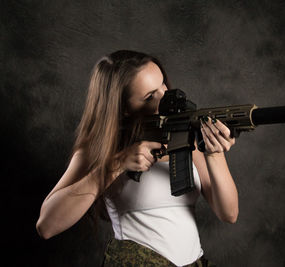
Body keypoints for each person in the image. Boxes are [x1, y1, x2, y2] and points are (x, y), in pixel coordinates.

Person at [36, 50, 238, 266]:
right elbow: (47, 226)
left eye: (163, 85)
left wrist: (214, 154)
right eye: (150, 96)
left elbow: (229, 214)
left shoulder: (185, 139)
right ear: (123, 109)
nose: (166, 96)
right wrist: (117, 164)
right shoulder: (100, 149)